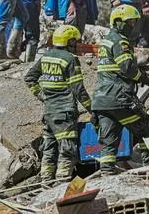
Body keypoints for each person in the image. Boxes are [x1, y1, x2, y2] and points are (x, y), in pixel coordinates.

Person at [91, 5, 149, 174]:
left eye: (134, 22)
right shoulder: (120, 41)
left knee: (109, 142)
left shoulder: (106, 41)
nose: (133, 26)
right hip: (118, 98)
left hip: (102, 101)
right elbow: (128, 68)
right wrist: (148, 80)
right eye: (130, 22)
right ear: (117, 22)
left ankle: (107, 174)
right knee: (145, 125)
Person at [24, 25, 91, 181]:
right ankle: (62, 181)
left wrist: (41, 95)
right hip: (64, 112)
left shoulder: (46, 57)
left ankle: (46, 182)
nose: (76, 45)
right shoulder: (69, 59)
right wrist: (92, 109)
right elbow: (78, 90)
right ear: (69, 41)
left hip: (48, 112)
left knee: (49, 148)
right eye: (75, 41)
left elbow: (29, 78)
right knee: (67, 149)